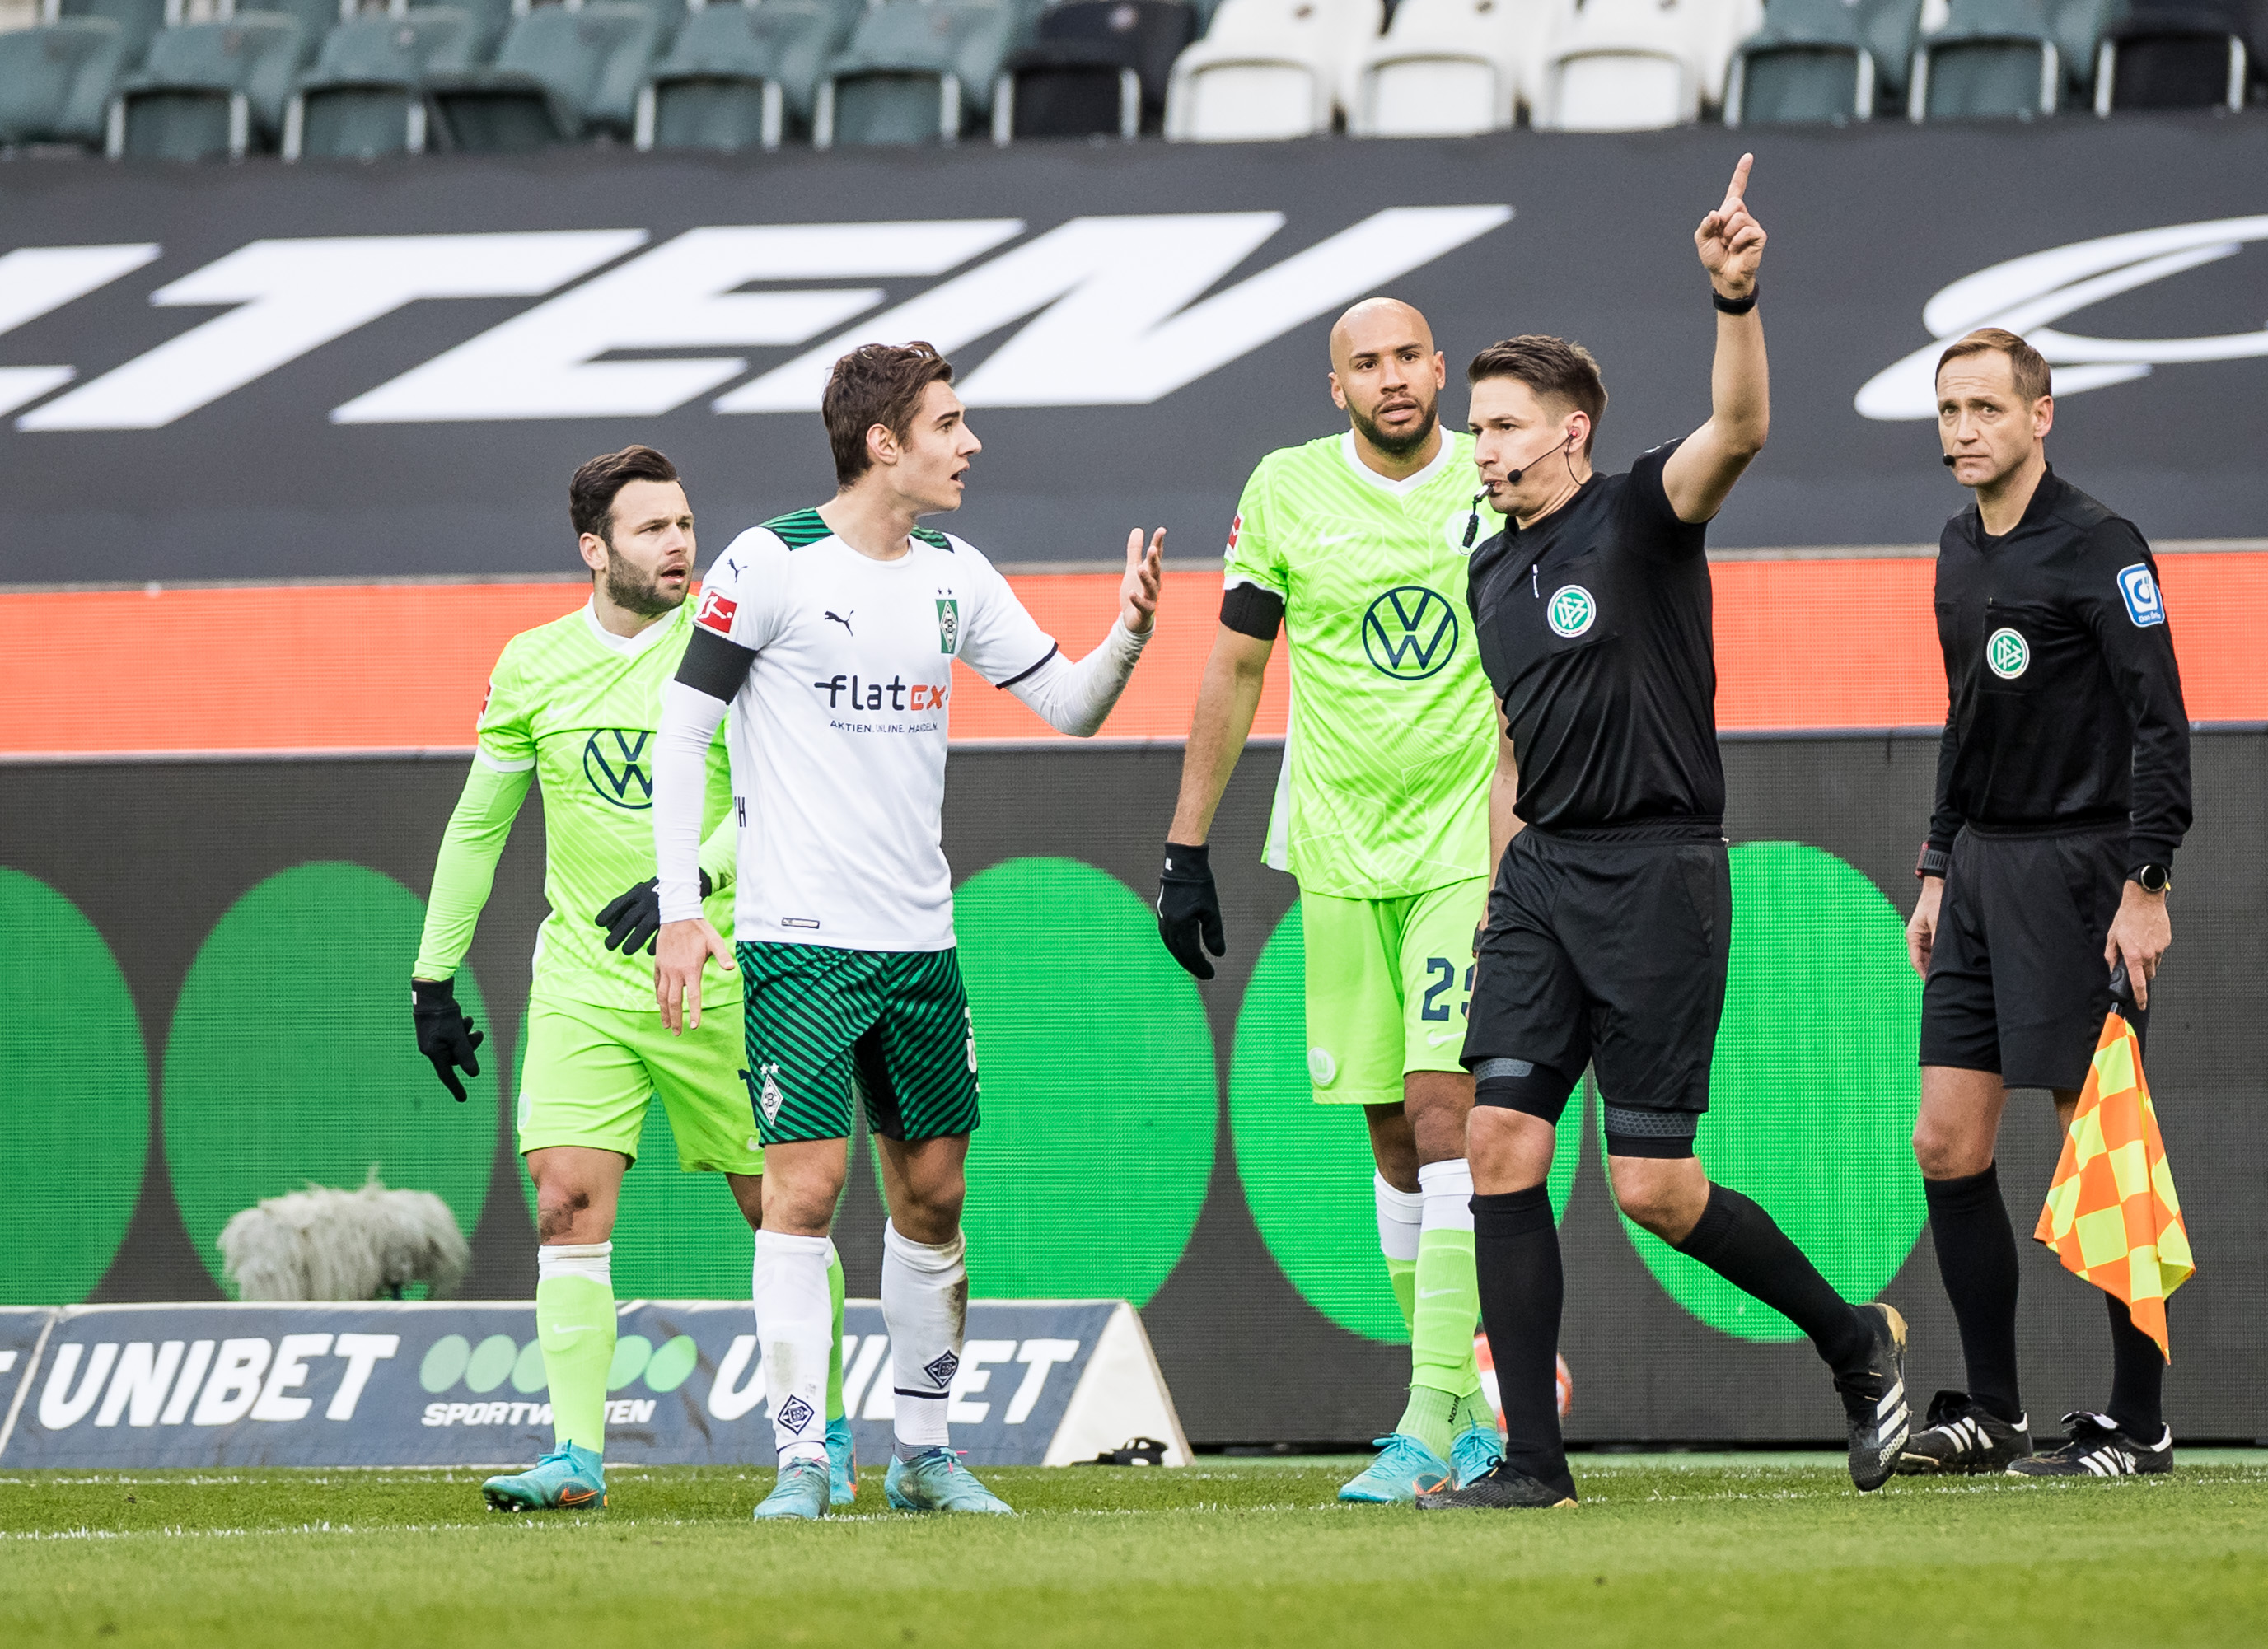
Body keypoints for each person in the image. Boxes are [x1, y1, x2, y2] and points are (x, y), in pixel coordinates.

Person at [1419, 156, 1910, 1511]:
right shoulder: (1486, 563)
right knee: (1499, 1148)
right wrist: (1498, 866)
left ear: (1572, 432)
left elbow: (1739, 429)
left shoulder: (1642, 512)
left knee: (1652, 1187)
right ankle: (1533, 1462)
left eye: (1507, 425)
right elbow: (1517, 732)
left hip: (1660, 874)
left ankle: (1854, 1340)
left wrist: (1734, 299)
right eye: (1480, 426)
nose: (1486, 444)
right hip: (1541, 878)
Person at [648, 341, 1164, 1521]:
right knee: (805, 1191)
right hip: (799, 939)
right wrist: (684, 911)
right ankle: (799, 1459)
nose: (969, 443)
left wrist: (1128, 631)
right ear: (885, 443)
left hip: (920, 943)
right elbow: (684, 736)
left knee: (932, 1198)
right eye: (948, 423)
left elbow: (1073, 707)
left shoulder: (956, 573)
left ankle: (922, 1456)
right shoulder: (766, 563)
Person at [409, 446, 849, 1514]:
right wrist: (432, 973)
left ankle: (824, 1435)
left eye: (687, 522)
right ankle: (574, 1454)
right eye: (653, 528)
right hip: (585, 981)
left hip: (730, 972)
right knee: (564, 1204)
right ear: (593, 548)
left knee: (783, 1211)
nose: (681, 543)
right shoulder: (532, 664)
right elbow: (480, 822)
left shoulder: (739, 643)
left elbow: (781, 801)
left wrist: (688, 883)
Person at [1156, 297, 1505, 1502]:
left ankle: (1422, 1416)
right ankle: (1468, 1414)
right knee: (1393, 1134)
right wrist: (1185, 844)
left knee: (1443, 1104)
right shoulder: (1288, 490)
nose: (1394, 377)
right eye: (1369, 363)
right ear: (1336, 385)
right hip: (1339, 847)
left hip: (1469, 839)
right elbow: (1239, 660)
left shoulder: (1491, 469)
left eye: (1411, 354)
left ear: (1441, 366)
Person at [1896, 327, 2191, 1481]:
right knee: (1945, 1139)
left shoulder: (2102, 545)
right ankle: (1998, 1411)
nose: (1964, 429)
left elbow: (2163, 719)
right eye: (1949, 410)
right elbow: (1965, 718)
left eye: (1985, 408)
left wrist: (2147, 882)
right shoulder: (1957, 548)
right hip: (1977, 868)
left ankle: (2139, 1419)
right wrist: (1934, 867)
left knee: (2102, 1142)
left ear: (2040, 415)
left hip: (2084, 872)